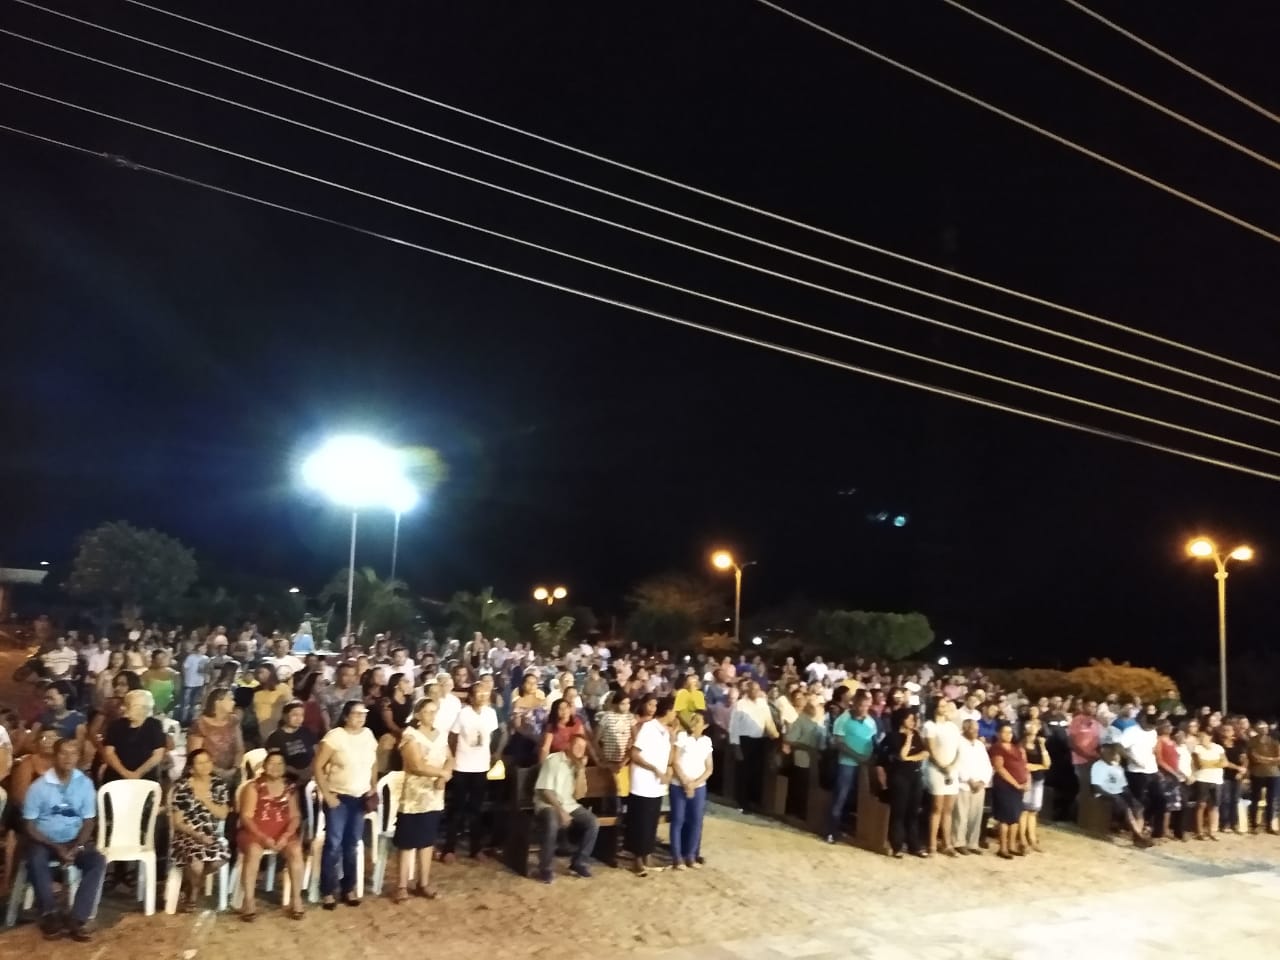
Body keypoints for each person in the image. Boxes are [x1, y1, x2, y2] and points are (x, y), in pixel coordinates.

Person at [21, 738, 107, 941]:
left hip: (74, 840)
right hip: (44, 840)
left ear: (78, 757)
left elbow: (89, 821)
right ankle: (49, 914)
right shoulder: (39, 787)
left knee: (97, 860)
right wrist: (55, 846)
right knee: (35, 858)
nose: (68, 758)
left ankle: (78, 918)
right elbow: (29, 825)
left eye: (73, 753)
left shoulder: (85, 784)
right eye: (63, 753)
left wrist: (77, 846)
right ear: (54, 756)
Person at [313, 700, 378, 908]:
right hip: (339, 796)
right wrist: (327, 795)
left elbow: (373, 761)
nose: (361, 718)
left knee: (351, 845)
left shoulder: (368, 735)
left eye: (363, 714)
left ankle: (348, 887)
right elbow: (318, 766)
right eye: (357, 714)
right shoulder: (335, 737)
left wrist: (373, 785)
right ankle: (328, 890)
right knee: (333, 845)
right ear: (346, 716)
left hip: (359, 796)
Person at [393, 698, 453, 902]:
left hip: (434, 794)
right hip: (415, 794)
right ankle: (401, 885)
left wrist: (445, 774)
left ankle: (423, 882)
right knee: (408, 841)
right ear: (418, 714)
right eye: (427, 711)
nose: (432, 715)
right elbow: (416, 765)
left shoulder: (440, 734)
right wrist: (442, 775)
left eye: (434, 711)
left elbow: (450, 758)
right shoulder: (410, 736)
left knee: (427, 840)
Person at [236, 750, 305, 921]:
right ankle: (249, 901)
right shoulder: (253, 787)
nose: (276, 767)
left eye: (280, 764)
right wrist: (263, 837)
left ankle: (296, 900)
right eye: (271, 763)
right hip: (255, 832)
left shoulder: (290, 788)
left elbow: (296, 816)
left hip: (282, 833)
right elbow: (246, 817)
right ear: (264, 766)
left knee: (296, 850)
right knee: (254, 851)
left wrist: (286, 835)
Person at [170, 748, 232, 912]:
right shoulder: (182, 786)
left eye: (208, 761)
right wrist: (197, 835)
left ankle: (192, 884)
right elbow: (178, 822)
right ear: (191, 768)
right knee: (196, 863)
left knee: (220, 859)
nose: (205, 766)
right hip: (187, 834)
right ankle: (194, 892)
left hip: (211, 834)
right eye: (200, 763)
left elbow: (223, 814)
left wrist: (205, 799)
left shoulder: (219, 785)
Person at [532, 733, 599, 883]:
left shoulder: (576, 765)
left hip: (569, 804)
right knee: (552, 822)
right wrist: (561, 812)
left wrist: (581, 771)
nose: (580, 750)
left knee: (592, 822)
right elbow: (546, 791)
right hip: (548, 803)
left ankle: (579, 862)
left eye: (583, 748)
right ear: (568, 745)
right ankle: (545, 868)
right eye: (577, 746)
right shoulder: (554, 760)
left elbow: (579, 795)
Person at [627, 693, 671, 877]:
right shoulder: (648, 728)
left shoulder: (666, 731)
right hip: (643, 782)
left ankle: (648, 856)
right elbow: (635, 754)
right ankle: (637, 859)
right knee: (640, 820)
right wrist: (653, 768)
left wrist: (665, 770)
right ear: (667, 712)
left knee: (652, 820)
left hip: (656, 783)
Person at [825, 689, 876, 844]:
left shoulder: (870, 721)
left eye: (867, 706)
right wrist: (857, 756)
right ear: (855, 704)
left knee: (855, 798)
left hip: (864, 764)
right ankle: (831, 831)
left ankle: (847, 827)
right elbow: (839, 743)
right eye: (862, 706)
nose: (864, 709)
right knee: (840, 796)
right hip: (846, 763)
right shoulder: (843, 719)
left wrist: (868, 758)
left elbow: (872, 741)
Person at [670, 713, 713, 870]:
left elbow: (709, 768)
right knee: (678, 819)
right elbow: (675, 761)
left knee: (696, 820)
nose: (694, 723)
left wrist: (695, 784)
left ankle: (691, 855)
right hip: (678, 784)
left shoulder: (706, 741)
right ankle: (677, 856)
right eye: (693, 719)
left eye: (698, 721)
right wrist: (685, 782)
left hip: (698, 786)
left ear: (705, 725)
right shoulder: (682, 737)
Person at [727, 681, 779, 815]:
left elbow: (768, 721)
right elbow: (733, 727)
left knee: (756, 772)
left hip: (760, 741)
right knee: (744, 772)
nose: (756, 692)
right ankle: (742, 802)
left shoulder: (763, 703)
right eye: (753, 689)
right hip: (744, 741)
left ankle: (753, 801)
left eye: (758, 689)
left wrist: (775, 735)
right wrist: (736, 746)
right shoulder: (740, 705)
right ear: (748, 690)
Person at [99, 689, 167, 784]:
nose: (123, 708)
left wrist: (137, 774)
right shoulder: (116, 725)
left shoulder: (154, 725)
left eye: (128, 705)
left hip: (145, 778)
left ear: (143, 708)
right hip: (116, 777)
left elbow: (157, 755)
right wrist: (125, 773)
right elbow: (109, 753)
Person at [885, 707, 928, 858]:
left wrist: (910, 758)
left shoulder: (916, 734)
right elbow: (902, 754)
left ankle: (914, 845)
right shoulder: (893, 736)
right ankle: (896, 844)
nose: (913, 721)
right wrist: (908, 739)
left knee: (913, 812)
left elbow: (924, 752)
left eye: (913, 719)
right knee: (899, 812)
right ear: (901, 720)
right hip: (900, 777)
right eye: (909, 718)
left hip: (915, 776)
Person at [1091, 744, 1153, 847]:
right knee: (1127, 809)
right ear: (1103, 753)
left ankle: (1137, 837)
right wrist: (1112, 795)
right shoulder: (1098, 766)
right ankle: (1139, 837)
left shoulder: (1117, 766)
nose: (1114, 755)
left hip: (1119, 793)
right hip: (1105, 794)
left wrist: (1130, 798)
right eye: (1111, 752)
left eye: (1114, 753)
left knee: (1138, 807)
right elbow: (1096, 787)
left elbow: (1124, 786)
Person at [923, 698, 962, 856]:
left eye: (946, 706)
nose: (945, 708)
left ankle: (947, 843)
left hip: (951, 769)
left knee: (948, 809)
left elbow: (958, 749)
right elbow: (930, 750)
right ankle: (931, 844)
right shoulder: (929, 726)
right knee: (937, 808)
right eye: (942, 705)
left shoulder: (952, 726)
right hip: (936, 769)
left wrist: (952, 766)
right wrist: (942, 766)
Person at [187, 686, 246, 789]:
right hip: (205, 774)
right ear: (217, 702)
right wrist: (219, 772)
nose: (234, 702)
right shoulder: (200, 724)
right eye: (230, 699)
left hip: (232, 772)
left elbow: (240, 749)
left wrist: (234, 769)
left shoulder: (233, 721)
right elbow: (195, 755)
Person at [952, 718, 993, 855]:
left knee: (975, 816)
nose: (975, 731)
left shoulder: (980, 745)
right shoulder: (958, 743)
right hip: (964, 784)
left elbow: (987, 765)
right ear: (965, 729)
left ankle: (972, 843)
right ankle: (958, 842)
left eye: (977, 729)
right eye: (972, 729)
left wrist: (983, 781)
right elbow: (957, 764)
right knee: (961, 815)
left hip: (979, 785)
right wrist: (969, 780)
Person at [989, 723, 1028, 859]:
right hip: (1004, 786)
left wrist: (1027, 781)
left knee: (1015, 818)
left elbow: (1024, 766)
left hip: (1019, 787)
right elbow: (1000, 768)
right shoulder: (997, 748)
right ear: (999, 734)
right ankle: (1003, 848)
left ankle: (1012, 846)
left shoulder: (1016, 748)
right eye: (1005, 732)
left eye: (1010, 732)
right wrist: (1016, 784)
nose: (1008, 735)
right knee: (1005, 818)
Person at [32, 681, 88, 763]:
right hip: (44, 756)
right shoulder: (43, 717)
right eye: (46, 699)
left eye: (51, 698)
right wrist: (42, 742)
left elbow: (80, 746)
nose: (47, 702)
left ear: (65, 697)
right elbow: (31, 739)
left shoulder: (78, 718)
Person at [1020, 722, 1050, 853]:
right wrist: (1040, 766)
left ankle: (1032, 838)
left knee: (1033, 811)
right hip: (1026, 779)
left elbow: (1047, 764)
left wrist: (1043, 746)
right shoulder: (1022, 744)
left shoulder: (1040, 744)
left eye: (1036, 725)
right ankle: (1022, 839)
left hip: (1038, 780)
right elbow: (1024, 764)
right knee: (1024, 810)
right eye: (1031, 725)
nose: (1033, 727)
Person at [1192, 729, 1226, 841]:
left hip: (1216, 779)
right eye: (1200, 737)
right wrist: (1215, 763)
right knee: (1201, 805)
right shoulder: (1197, 748)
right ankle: (1200, 831)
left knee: (1214, 806)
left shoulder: (1218, 748)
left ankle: (1213, 830)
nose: (1201, 739)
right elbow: (1199, 764)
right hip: (1203, 779)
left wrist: (1209, 763)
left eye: (1204, 736)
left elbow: (1224, 762)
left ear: (1209, 737)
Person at [1248, 720, 1280, 834]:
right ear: (1256, 729)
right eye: (1260, 727)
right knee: (1255, 799)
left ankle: (1270, 825)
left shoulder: (1274, 741)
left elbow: (1279, 758)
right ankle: (1254, 825)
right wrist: (1272, 760)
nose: (1263, 729)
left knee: (1272, 800)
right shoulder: (1252, 741)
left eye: (1265, 727)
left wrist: (1265, 759)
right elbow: (1254, 757)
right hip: (1257, 773)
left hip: (1274, 774)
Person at [1219, 724, 1248, 835]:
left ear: (1233, 732)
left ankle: (1234, 823)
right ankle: (1225, 823)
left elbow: (1244, 758)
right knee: (1225, 800)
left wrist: (1243, 769)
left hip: (1237, 776)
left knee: (1235, 800)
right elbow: (1224, 762)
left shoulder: (1239, 744)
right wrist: (1238, 768)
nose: (1227, 731)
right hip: (1225, 775)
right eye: (1225, 729)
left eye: (1229, 730)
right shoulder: (1219, 745)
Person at [140, 650, 180, 719]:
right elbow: (142, 693)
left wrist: (166, 710)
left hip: (168, 711)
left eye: (163, 657)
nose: (162, 660)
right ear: (154, 660)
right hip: (149, 710)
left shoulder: (174, 674)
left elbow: (177, 695)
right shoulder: (146, 674)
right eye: (158, 658)